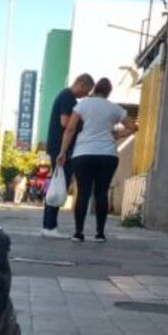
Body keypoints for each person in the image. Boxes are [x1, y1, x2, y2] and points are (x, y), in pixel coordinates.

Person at [59, 77, 138, 242]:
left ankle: (78, 233)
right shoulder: (114, 108)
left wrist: (63, 151)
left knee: (83, 193)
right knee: (101, 193)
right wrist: (117, 135)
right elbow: (133, 127)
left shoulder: (82, 105)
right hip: (107, 155)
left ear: (95, 89)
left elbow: (70, 129)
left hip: (83, 154)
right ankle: (100, 234)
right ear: (109, 92)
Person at [42, 73, 95, 238]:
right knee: (58, 186)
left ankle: (49, 225)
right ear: (80, 83)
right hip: (60, 147)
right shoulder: (68, 97)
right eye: (86, 90)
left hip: (58, 147)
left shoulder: (67, 96)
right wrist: (82, 124)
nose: (85, 95)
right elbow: (65, 123)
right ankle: (49, 226)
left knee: (59, 185)